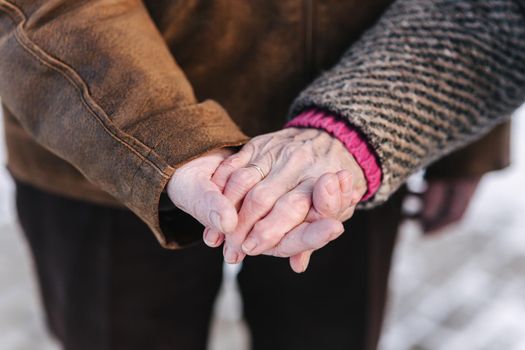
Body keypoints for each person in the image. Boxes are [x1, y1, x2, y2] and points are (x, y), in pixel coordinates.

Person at [0, 0, 523, 349]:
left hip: (343, 169)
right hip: (103, 152)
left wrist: (463, 137)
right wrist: (160, 139)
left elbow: (493, 14)